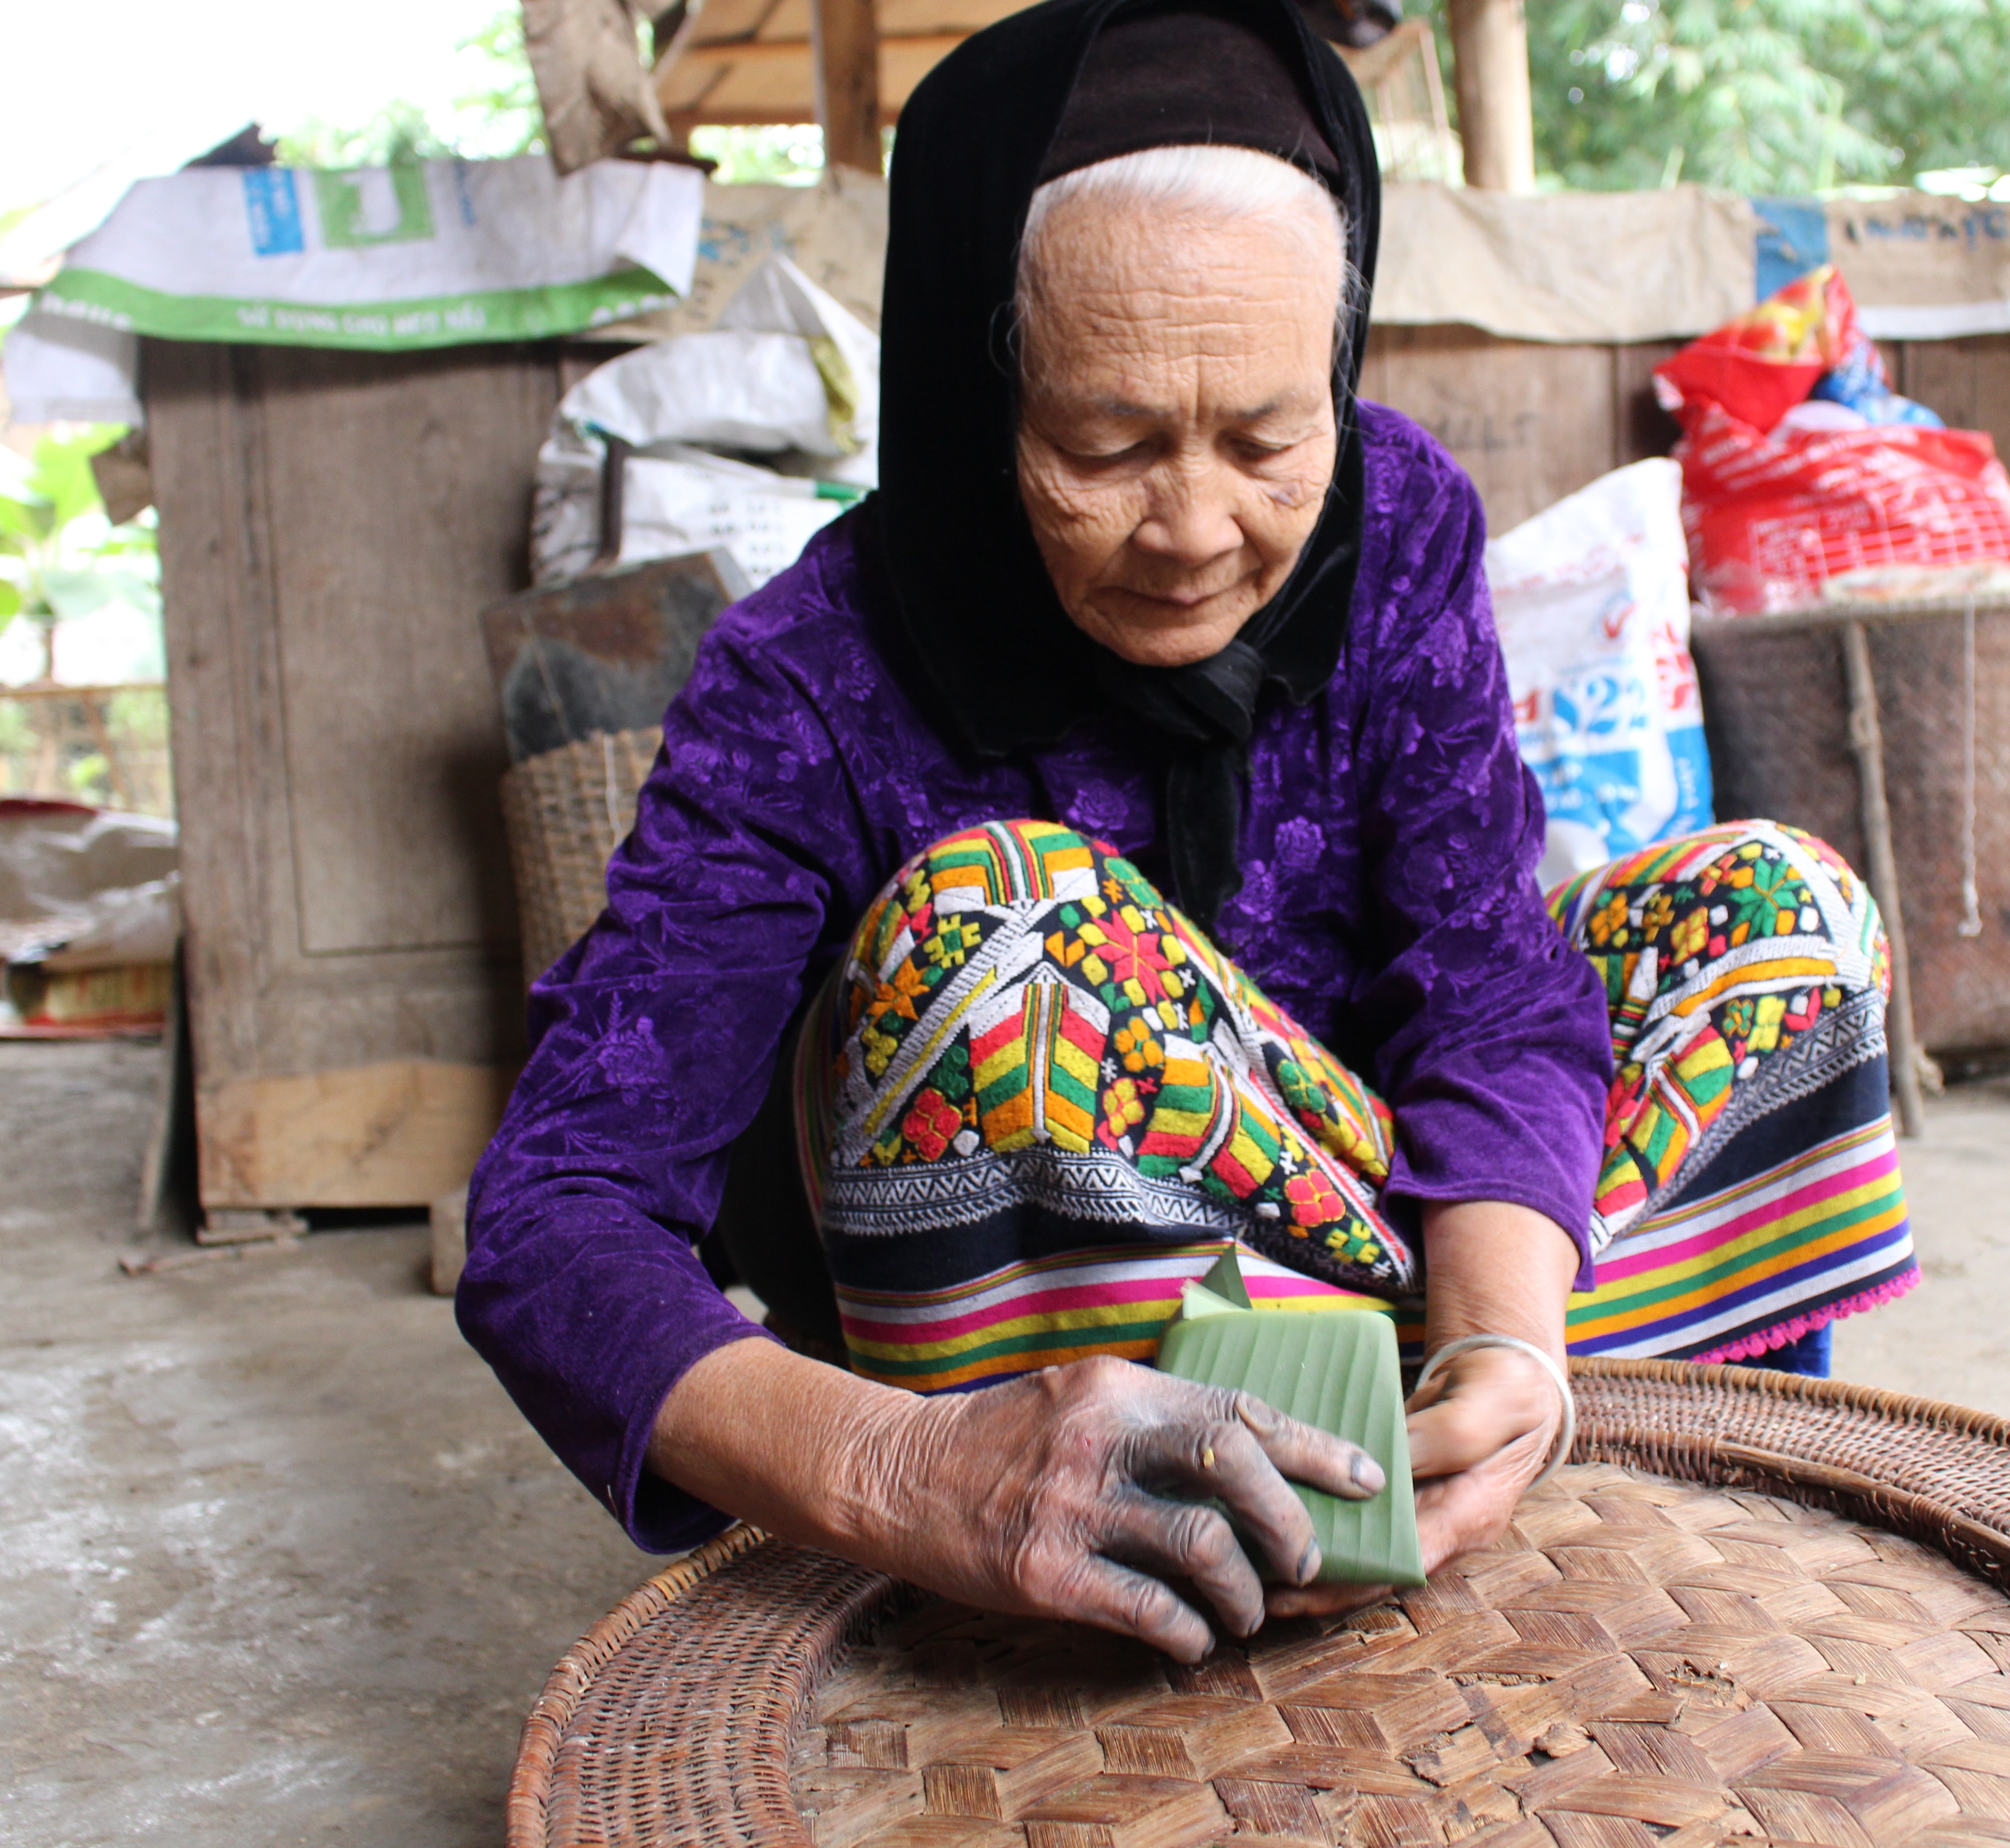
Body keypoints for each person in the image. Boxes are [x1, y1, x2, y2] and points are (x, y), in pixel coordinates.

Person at [458, 0, 1917, 1668]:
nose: (1200, 532)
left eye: (1270, 437)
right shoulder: (813, 675)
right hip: (1052, 1354)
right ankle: (1240, 1473)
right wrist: (919, 1471)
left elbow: (1491, 989)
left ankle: (1484, 1429)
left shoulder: (1396, 520)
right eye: (1108, 444)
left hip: (1379, 1226)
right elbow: (555, 1213)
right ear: (980, 391)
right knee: (999, 926)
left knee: (1775, 912)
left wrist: (1508, 1338)